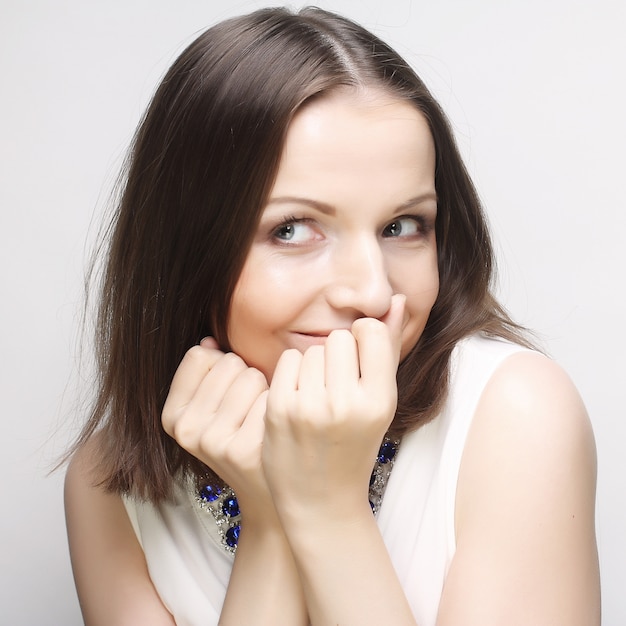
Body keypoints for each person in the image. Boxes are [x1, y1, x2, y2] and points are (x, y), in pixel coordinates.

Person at [63, 6, 600, 625]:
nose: (372, 292)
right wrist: (268, 522)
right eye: (293, 230)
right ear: (187, 246)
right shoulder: (110, 485)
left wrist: (326, 510)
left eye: (402, 226)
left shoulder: (515, 413)